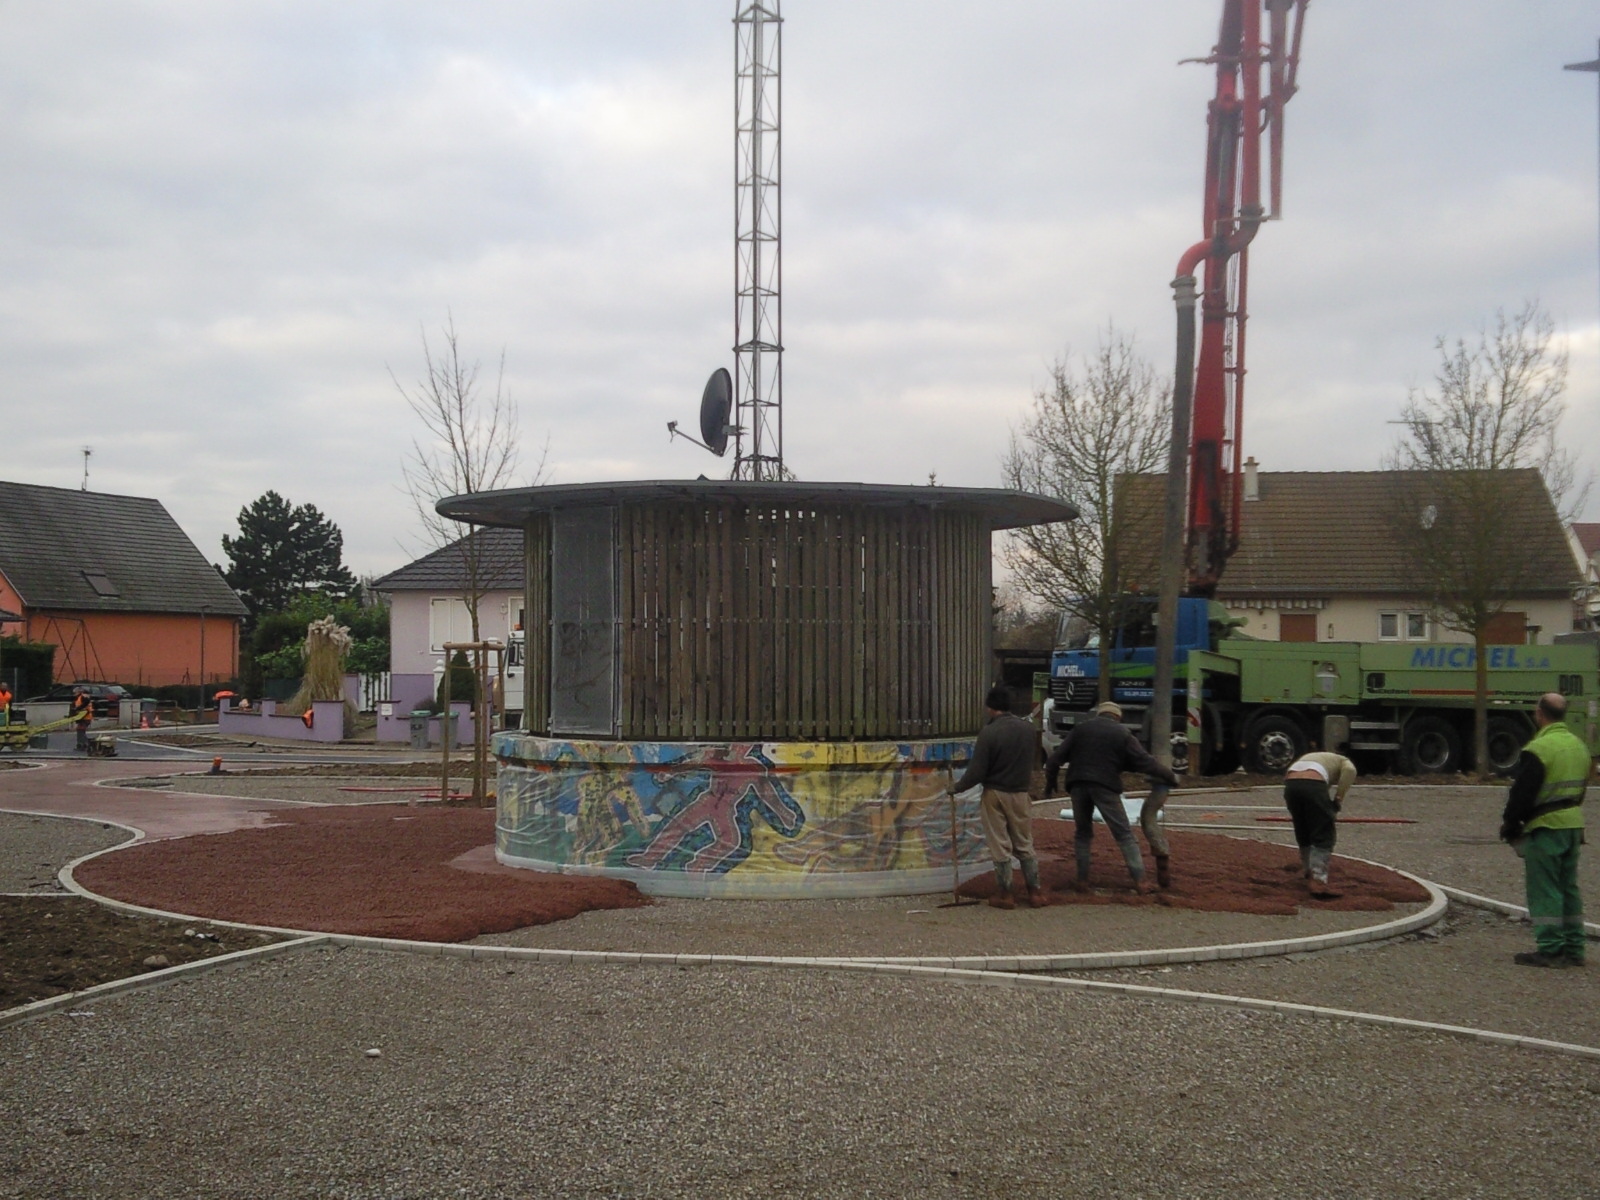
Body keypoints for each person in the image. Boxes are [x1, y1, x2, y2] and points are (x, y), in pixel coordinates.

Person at [1044, 701, 1178, 894]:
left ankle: (1082, 881)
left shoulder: (1081, 729)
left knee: (1083, 833)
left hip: (1078, 784)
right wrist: (1169, 776)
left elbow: (1054, 760)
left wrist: (1051, 783)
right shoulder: (1122, 733)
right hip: (1105, 785)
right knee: (1124, 834)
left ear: (1099, 714)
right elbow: (1144, 762)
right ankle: (1140, 882)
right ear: (1118, 717)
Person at [1500, 693, 1590, 968]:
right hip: (1573, 824)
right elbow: (1582, 788)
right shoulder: (1579, 746)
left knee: (1545, 889)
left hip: (1546, 826)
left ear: (1540, 714)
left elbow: (1523, 793)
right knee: (1568, 888)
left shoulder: (1539, 749)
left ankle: (1550, 949)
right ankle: (1575, 948)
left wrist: (1510, 824)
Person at [947, 684, 1045, 910]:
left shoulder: (989, 733)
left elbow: (977, 771)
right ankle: (1035, 893)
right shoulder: (1028, 730)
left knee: (1000, 844)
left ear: (990, 708)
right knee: (1024, 842)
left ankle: (1006, 894)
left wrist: (957, 787)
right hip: (1021, 793)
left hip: (995, 793)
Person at [1282, 751, 1358, 900]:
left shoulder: (1316, 757)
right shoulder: (1344, 761)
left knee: (1303, 827)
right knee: (1323, 830)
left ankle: (1307, 869)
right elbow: (1350, 771)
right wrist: (1338, 799)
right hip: (1314, 783)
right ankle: (1318, 878)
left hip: (1291, 785)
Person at [70, 686, 93, 751]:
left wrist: (78, 708)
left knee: (81, 731)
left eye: (75, 692)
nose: (74, 694)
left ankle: (85, 744)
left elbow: (86, 703)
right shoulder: (79, 698)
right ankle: (81, 744)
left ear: (79, 692)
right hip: (82, 717)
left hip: (85, 717)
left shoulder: (83, 697)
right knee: (80, 730)